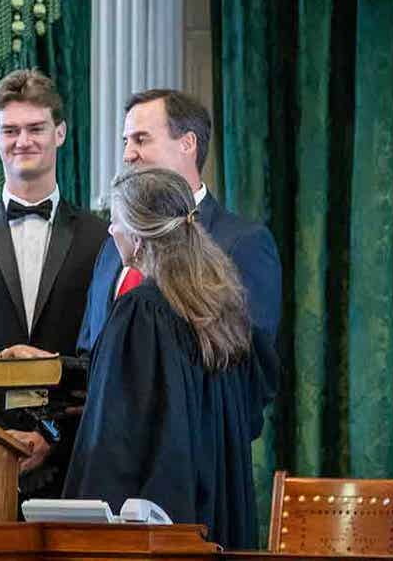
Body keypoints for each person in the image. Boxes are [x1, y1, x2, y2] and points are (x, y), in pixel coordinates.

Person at [63, 167, 257, 549]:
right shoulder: (217, 306)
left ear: (138, 235)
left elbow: (115, 442)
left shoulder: (141, 313)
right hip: (213, 516)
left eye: (115, 220)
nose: (110, 231)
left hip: (156, 533)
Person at [0, 69, 107, 495]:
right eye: (10, 130)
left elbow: (108, 355)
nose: (23, 141)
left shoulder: (103, 239)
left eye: (36, 128)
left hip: (77, 458)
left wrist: (52, 435)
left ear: (60, 133)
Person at [77, 89, 281, 437]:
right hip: (109, 454)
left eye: (141, 139)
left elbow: (254, 370)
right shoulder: (113, 245)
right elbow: (90, 351)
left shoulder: (242, 243)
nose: (128, 154)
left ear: (187, 143)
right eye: (125, 141)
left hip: (195, 459)